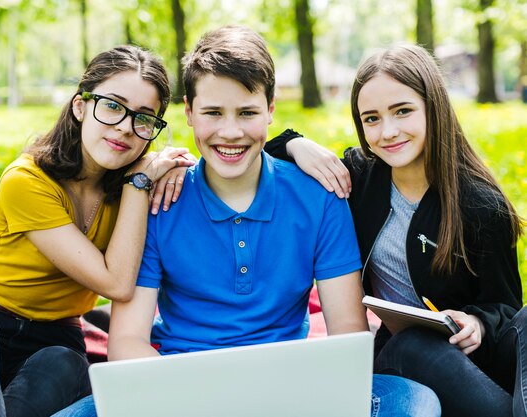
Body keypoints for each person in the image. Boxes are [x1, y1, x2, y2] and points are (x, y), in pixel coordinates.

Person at [53, 26, 440, 417]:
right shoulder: (157, 202)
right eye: (213, 113)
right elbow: (127, 342)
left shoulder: (320, 196)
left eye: (247, 113)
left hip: (292, 389)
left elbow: (347, 334)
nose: (231, 132)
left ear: (271, 110)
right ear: (188, 112)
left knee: (414, 402)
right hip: (180, 392)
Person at [0, 45, 194, 417]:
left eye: (144, 118)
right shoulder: (26, 180)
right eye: (112, 106)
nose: (126, 127)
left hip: (55, 343)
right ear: (80, 106)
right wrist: (139, 180)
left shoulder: (134, 189)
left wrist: (290, 143)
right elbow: (116, 284)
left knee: (66, 360)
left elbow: (231, 161)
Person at [265, 44, 526, 417]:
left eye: (402, 111)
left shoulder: (480, 204)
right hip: (406, 355)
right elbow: (259, 155)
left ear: (432, 109)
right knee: (413, 343)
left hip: (475, 356)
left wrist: (478, 322)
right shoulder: (357, 179)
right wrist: (296, 144)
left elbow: (505, 307)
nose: (387, 132)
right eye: (371, 119)